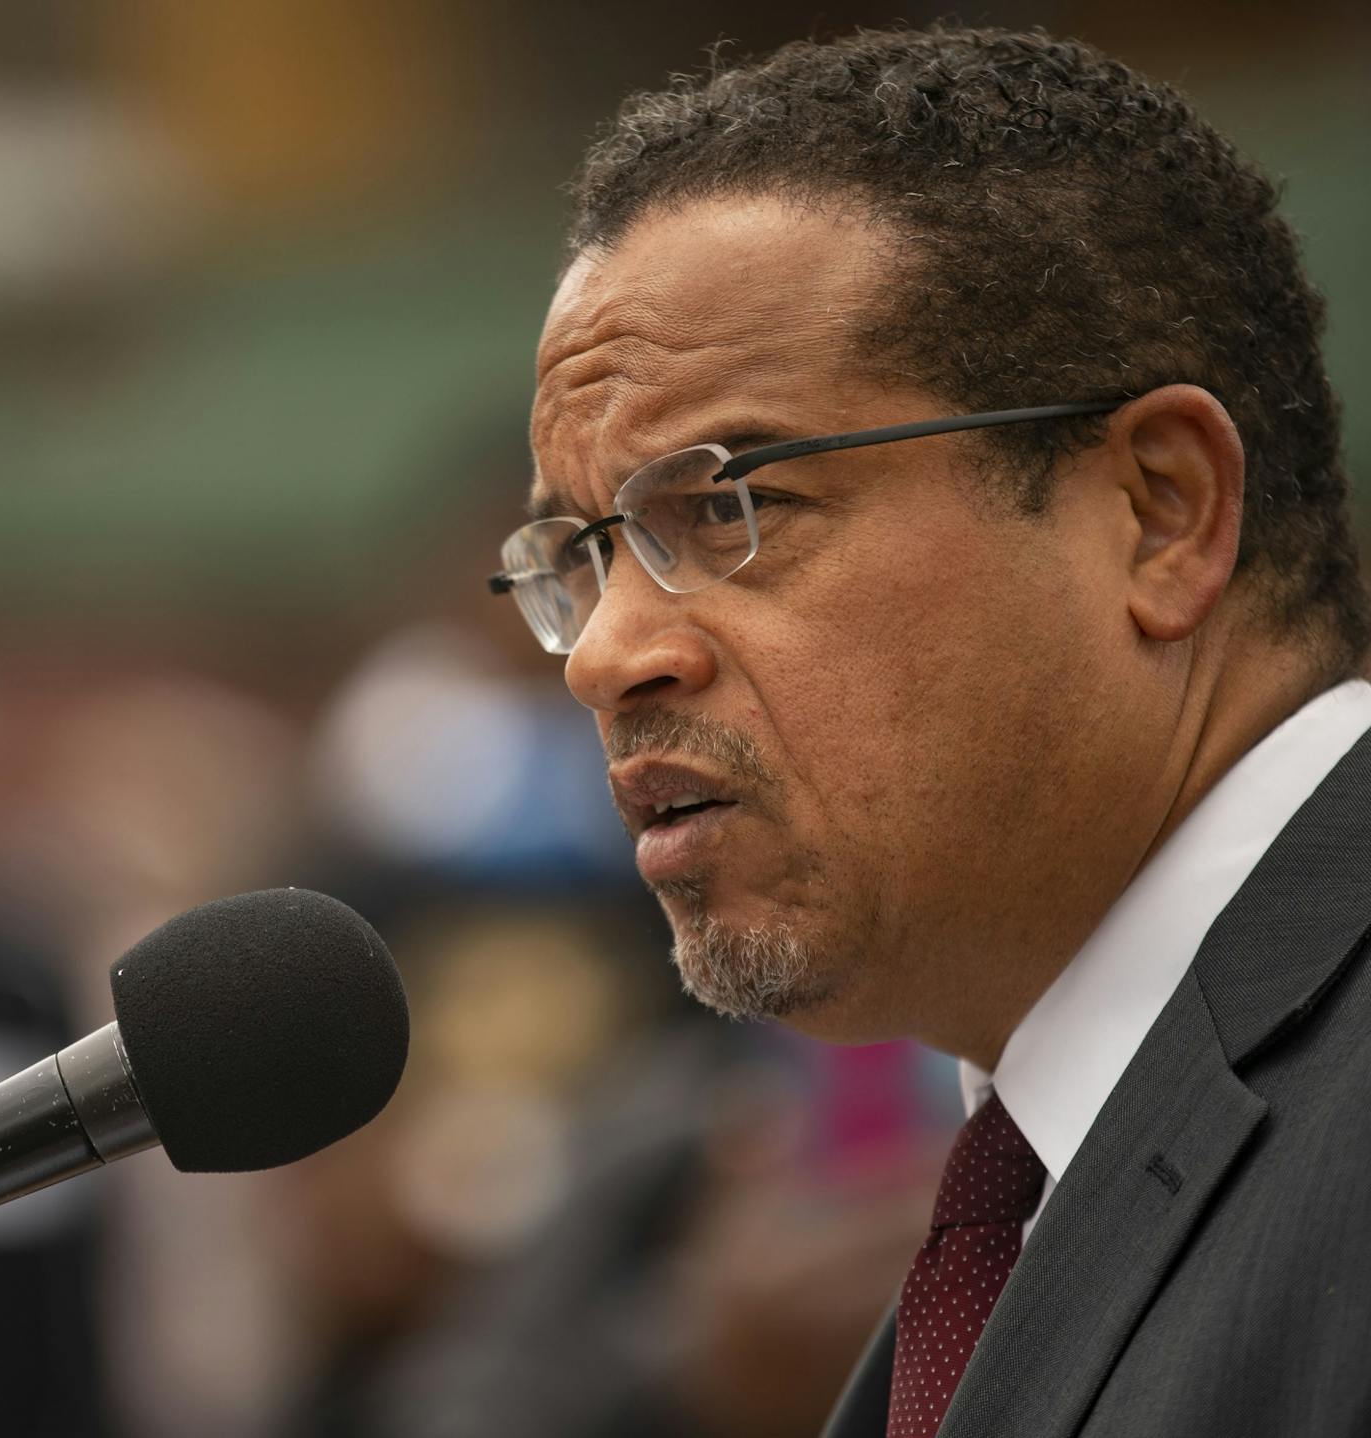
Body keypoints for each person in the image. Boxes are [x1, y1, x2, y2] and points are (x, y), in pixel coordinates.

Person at [486, 25, 1371, 1438]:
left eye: (724, 507)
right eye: (576, 554)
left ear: (1160, 511)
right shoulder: (1021, 1194)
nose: (605, 652)